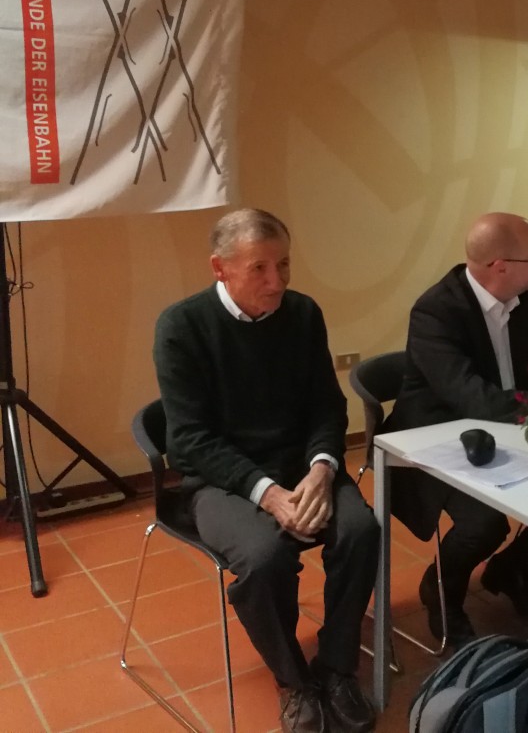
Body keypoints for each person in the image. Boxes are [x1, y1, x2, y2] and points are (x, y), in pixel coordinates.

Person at [153, 209, 378, 733]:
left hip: (302, 467)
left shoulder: (302, 314)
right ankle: (293, 680)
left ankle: (337, 666)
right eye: (259, 268)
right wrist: (269, 494)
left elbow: (326, 405)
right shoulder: (181, 327)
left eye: (284, 265)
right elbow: (189, 440)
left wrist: (323, 468)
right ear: (220, 268)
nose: (277, 282)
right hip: (221, 479)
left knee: (362, 531)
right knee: (264, 557)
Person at [384, 213, 528, 647]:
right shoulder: (437, 310)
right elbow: (472, 397)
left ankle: (514, 569)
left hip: (509, 425)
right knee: (485, 524)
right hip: (439, 436)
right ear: (501, 266)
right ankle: (442, 589)